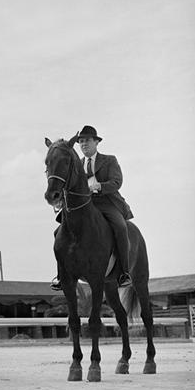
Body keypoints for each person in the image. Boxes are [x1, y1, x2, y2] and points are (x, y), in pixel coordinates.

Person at [51, 125, 133, 291]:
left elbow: (117, 182)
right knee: (58, 232)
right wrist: (60, 200)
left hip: (106, 202)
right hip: (83, 206)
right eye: (81, 141)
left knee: (121, 227)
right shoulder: (76, 164)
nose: (83, 144)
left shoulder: (109, 160)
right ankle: (61, 276)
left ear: (96, 142)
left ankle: (124, 272)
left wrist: (99, 186)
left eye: (87, 140)